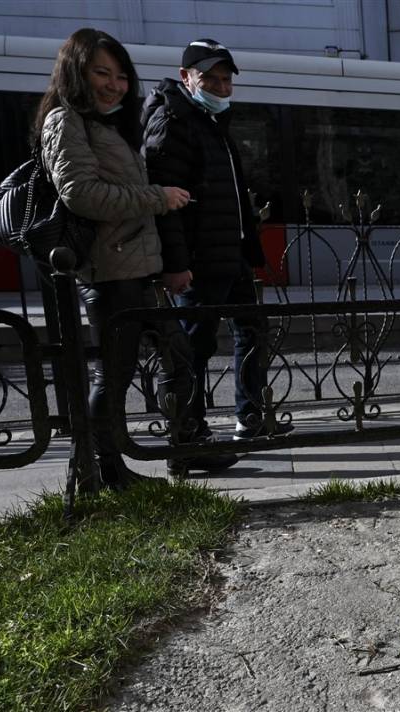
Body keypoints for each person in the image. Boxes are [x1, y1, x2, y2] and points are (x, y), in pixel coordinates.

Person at [37, 28, 223, 490]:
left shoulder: (107, 124)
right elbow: (80, 194)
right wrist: (155, 198)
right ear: (75, 72)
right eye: (102, 72)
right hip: (109, 270)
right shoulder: (66, 120)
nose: (114, 84)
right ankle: (104, 472)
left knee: (177, 359)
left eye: (121, 76)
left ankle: (182, 449)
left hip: (140, 268)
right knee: (113, 376)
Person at [142, 39, 287, 444]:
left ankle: (251, 418)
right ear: (187, 76)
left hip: (230, 253)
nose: (222, 88)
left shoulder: (210, 122)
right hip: (199, 259)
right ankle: (189, 433)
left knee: (252, 332)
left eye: (227, 80)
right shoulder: (173, 120)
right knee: (194, 346)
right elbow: (164, 199)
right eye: (212, 79)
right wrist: (175, 263)